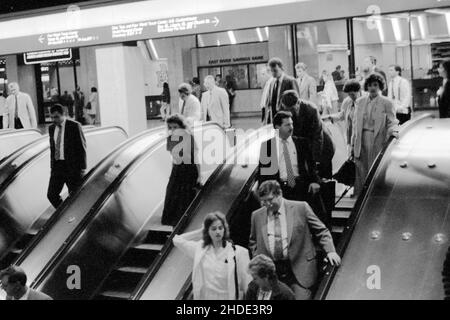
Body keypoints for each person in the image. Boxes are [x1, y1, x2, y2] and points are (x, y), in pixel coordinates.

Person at [249, 180, 340, 300]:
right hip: (271, 272)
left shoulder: (301, 208)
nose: (267, 204)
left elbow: (321, 231)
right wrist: (259, 258)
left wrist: (330, 251)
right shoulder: (257, 215)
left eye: (270, 200)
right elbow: (253, 241)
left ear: (279, 194)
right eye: (264, 201)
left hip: (300, 269)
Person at [173, 212, 251, 300]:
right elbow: (177, 240)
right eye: (213, 229)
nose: (217, 231)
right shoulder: (200, 249)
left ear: (224, 229)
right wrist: (199, 232)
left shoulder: (239, 252)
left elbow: (248, 285)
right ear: (207, 231)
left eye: (220, 228)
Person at [352, 73, 399, 196]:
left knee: (376, 168)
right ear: (366, 86)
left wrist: (393, 132)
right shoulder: (360, 102)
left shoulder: (387, 102)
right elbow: (355, 124)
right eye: (370, 85)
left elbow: (392, 121)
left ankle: (375, 196)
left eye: (375, 85)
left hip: (377, 138)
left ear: (380, 86)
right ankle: (361, 198)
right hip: (361, 139)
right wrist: (352, 144)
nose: (372, 87)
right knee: (361, 169)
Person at [258, 111, 320, 202]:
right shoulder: (267, 146)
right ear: (277, 127)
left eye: (292, 124)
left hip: (301, 187)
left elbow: (312, 166)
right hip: (279, 190)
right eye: (287, 125)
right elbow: (262, 175)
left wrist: (315, 181)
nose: (291, 127)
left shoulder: (302, 143)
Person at [161, 114, 201, 226]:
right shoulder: (170, 138)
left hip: (189, 169)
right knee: (173, 195)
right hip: (177, 169)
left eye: (175, 127)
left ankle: (183, 223)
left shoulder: (188, 137)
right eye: (171, 127)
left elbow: (195, 156)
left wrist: (199, 174)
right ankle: (175, 224)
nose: (173, 130)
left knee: (185, 195)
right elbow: (173, 158)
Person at [47, 104, 87, 208]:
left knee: (74, 196)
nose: (53, 120)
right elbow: (53, 148)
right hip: (58, 167)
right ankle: (63, 212)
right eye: (51, 117)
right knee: (51, 195)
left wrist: (82, 169)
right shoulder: (51, 128)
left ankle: (73, 217)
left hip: (72, 167)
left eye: (56, 117)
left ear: (63, 114)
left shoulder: (74, 126)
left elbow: (81, 147)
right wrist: (52, 167)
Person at [323, 79, 361, 154]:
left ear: (358, 91)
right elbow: (342, 115)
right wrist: (328, 117)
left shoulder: (365, 102)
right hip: (350, 137)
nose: (351, 97)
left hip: (362, 138)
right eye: (349, 95)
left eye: (353, 95)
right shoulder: (347, 101)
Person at [261, 58, 299, 124]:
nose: (273, 73)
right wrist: (266, 119)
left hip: (287, 119)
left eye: (275, 71)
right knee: (276, 134)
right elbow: (268, 102)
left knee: (286, 134)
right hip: (274, 119)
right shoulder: (272, 82)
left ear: (281, 68)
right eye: (271, 71)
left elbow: (296, 101)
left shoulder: (290, 81)